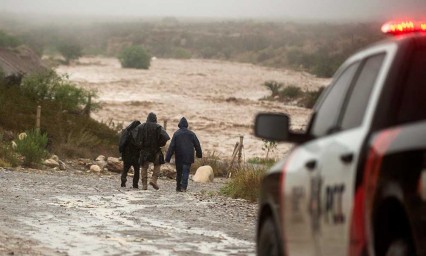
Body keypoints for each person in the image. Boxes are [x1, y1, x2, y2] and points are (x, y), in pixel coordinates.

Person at [133, 112, 170, 190]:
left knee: (144, 167)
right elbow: (165, 137)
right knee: (157, 165)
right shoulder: (159, 127)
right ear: (155, 119)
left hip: (144, 150)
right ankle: (153, 180)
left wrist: (140, 145)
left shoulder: (141, 127)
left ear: (147, 118)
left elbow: (135, 137)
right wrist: (161, 144)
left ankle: (144, 185)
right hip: (156, 150)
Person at [165, 117, 202, 192]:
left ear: (179, 125)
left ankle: (178, 187)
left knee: (179, 172)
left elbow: (172, 146)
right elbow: (197, 145)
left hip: (179, 156)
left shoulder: (176, 134)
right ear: (187, 125)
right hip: (188, 156)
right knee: (186, 172)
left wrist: (167, 158)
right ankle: (184, 187)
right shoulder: (192, 134)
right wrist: (199, 154)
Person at [119, 120, 141, 188]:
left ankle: (123, 181)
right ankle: (135, 184)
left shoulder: (127, 132)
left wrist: (121, 150)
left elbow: (122, 143)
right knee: (136, 170)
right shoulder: (140, 133)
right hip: (137, 155)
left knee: (125, 169)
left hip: (127, 154)